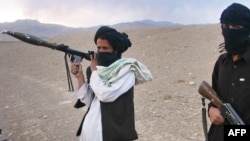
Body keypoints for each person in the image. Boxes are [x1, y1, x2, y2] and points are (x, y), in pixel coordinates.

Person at [70, 26, 152, 141]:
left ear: (115, 50)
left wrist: (94, 73)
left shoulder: (127, 71)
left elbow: (105, 95)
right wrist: (80, 77)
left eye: (105, 48)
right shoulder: (97, 71)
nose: (101, 52)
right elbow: (91, 101)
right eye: (99, 48)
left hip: (113, 134)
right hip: (90, 131)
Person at [207, 3, 250, 141]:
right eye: (225, 27)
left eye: (236, 27)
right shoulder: (222, 63)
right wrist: (211, 110)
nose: (230, 31)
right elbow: (214, 97)